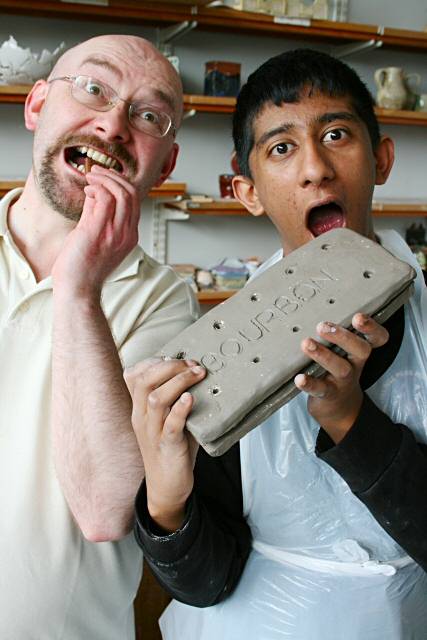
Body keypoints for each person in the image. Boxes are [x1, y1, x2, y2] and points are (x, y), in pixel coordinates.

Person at [128, 49, 427, 639]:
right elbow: (204, 583)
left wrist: (349, 419)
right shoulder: (219, 361)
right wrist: (166, 501)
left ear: (381, 158)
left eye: (336, 134)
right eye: (282, 148)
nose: (315, 168)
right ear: (248, 190)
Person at [0, 34, 198, 639]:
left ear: (163, 165)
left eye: (147, 115)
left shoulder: (167, 302)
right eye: (93, 87)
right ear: (36, 106)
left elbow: (106, 509)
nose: (112, 125)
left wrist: (80, 287)